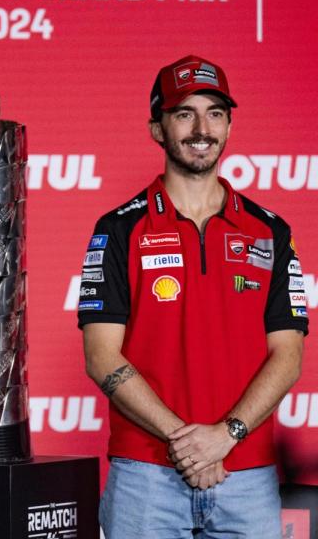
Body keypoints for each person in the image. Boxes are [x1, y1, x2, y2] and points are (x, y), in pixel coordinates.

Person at [78, 55, 307, 537]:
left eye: (215, 113)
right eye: (184, 113)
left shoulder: (270, 231)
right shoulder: (119, 229)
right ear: (157, 129)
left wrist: (226, 436)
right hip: (146, 475)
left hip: (246, 475)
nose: (201, 128)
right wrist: (188, 444)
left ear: (228, 126)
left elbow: (288, 356)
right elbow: (101, 357)